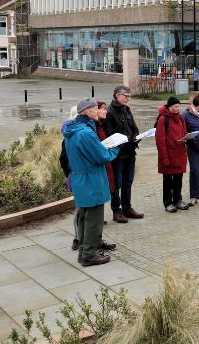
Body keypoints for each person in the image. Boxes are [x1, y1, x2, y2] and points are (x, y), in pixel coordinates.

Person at [63, 98, 120, 266]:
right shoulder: (86, 133)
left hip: (80, 178)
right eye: (95, 109)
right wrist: (116, 146)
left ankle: (84, 251)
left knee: (83, 216)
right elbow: (102, 156)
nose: (98, 111)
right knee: (94, 219)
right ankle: (89, 254)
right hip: (91, 179)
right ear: (87, 111)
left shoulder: (72, 130)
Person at [105, 85, 144, 223]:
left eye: (129, 96)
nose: (128, 99)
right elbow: (110, 135)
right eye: (126, 96)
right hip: (118, 155)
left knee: (128, 182)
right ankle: (116, 210)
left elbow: (134, 128)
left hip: (130, 152)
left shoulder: (127, 109)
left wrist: (136, 137)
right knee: (116, 184)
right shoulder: (109, 112)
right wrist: (124, 141)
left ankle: (127, 208)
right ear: (117, 96)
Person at [156, 97, 189, 213]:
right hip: (168, 155)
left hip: (180, 154)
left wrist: (187, 137)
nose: (177, 108)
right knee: (168, 181)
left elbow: (184, 132)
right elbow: (160, 140)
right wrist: (164, 158)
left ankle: (178, 200)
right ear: (169, 107)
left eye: (178, 106)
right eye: (175, 106)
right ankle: (168, 203)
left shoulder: (180, 118)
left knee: (178, 179)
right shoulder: (163, 119)